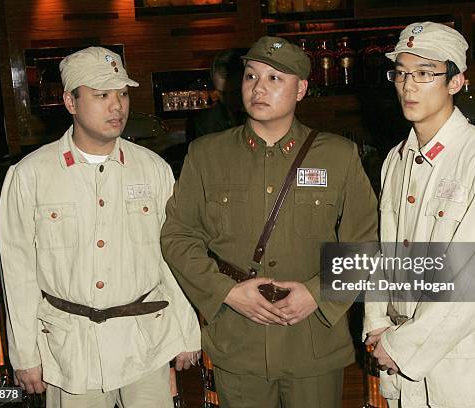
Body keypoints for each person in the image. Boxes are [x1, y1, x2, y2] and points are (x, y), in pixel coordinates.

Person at [161, 36, 378, 408]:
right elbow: (178, 236)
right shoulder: (206, 154)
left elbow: (366, 242)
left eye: (275, 78)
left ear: (302, 89)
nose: (259, 87)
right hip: (237, 339)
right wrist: (225, 292)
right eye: (251, 76)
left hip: (313, 340)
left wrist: (317, 291)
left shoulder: (339, 156)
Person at [0, 46, 201, 408]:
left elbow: (171, 255)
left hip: (144, 341)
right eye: (101, 95)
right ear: (71, 102)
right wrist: (25, 352)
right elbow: (18, 271)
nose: (117, 106)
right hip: (70, 349)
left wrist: (187, 329)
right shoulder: (31, 175)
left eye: (122, 94)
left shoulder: (153, 169)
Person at [363, 22, 475, 407]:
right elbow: (383, 253)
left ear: (455, 82)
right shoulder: (395, 160)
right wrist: (377, 323)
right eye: (400, 73)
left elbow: (474, 281)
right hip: (399, 360)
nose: (408, 86)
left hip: (458, 365)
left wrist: (401, 345)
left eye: (424, 74)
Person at [186, 48, 248, 141]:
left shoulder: (269, 113)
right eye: (221, 93)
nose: (228, 99)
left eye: (235, 92)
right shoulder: (206, 122)